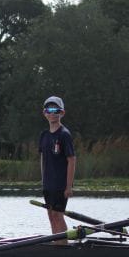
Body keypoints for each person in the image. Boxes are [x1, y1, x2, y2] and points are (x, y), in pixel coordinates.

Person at [38, 96, 76, 243]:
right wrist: (43, 180)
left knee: (58, 216)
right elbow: (42, 158)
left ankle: (63, 246)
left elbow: (72, 160)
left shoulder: (64, 134)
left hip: (60, 184)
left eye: (55, 110)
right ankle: (56, 244)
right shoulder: (44, 135)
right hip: (48, 184)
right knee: (51, 216)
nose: (52, 113)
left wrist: (69, 186)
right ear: (45, 113)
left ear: (62, 112)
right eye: (49, 110)